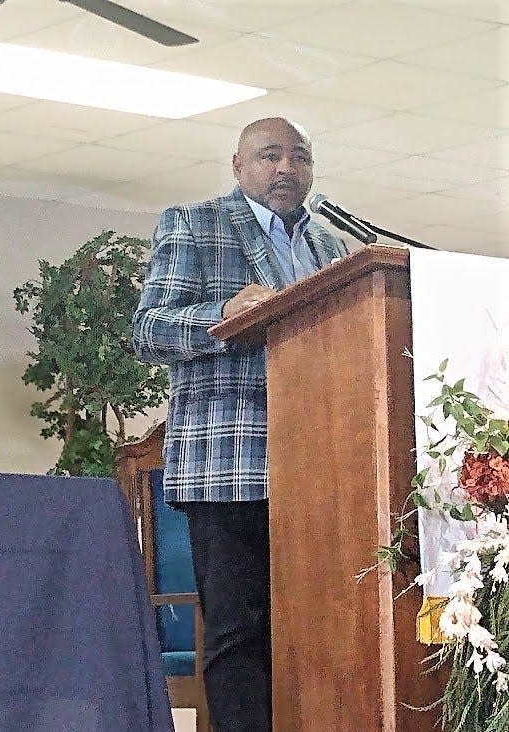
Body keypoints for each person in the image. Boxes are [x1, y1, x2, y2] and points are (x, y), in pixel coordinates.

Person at [132, 117, 348, 731]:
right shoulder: (193, 224)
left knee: (313, 626)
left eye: (298, 158)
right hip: (229, 464)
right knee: (239, 630)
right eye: (269, 156)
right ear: (238, 166)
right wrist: (221, 315)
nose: (285, 169)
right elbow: (149, 330)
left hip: (318, 464)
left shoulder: (333, 248)